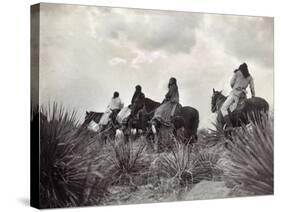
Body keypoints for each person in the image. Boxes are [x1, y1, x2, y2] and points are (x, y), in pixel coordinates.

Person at [221, 62, 255, 129]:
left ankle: (229, 126)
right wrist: (253, 96)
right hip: (243, 95)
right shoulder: (250, 77)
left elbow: (231, 83)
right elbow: (252, 88)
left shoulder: (237, 73)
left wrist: (235, 87)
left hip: (234, 94)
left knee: (223, 108)